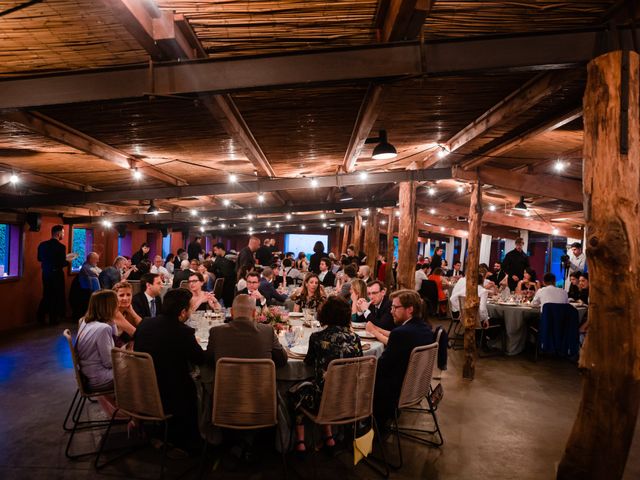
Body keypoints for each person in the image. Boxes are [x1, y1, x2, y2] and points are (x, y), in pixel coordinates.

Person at [134, 288, 204, 452]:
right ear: (182, 312)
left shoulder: (144, 324)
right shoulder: (183, 332)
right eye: (189, 309)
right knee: (199, 383)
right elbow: (200, 359)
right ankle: (191, 440)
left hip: (141, 390)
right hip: (171, 397)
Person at [289, 296, 362, 453]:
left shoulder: (317, 337)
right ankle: (328, 437)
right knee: (326, 386)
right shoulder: (355, 338)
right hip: (351, 397)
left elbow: (308, 362)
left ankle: (300, 442)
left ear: (325, 315)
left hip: (323, 401)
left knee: (295, 392)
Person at [373, 290, 439, 428]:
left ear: (410, 309)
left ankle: (364, 427)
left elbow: (382, 367)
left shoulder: (401, 333)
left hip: (397, 391)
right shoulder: (425, 328)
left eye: (395, 307)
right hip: (417, 386)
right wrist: (376, 330)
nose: (391, 311)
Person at [37, 225, 73, 325]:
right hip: (56, 273)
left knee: (47, 294)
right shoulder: (61, 247)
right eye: (63, 233)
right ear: (58, 233)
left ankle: (40, 317)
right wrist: (68, 260)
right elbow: (61, 263)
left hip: (46, 273)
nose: (63, 235)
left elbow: (39, 258)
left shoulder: (42, 244)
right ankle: (53, 319)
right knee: (56, 296)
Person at [212, 242, 236, 307]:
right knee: (225, 302)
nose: (215, 252)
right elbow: (213, 269)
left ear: (220, 249)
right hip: (223, 284)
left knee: (231, 301)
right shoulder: (218, 258)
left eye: (215, 250)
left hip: (231, 283)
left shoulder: (231, 256)